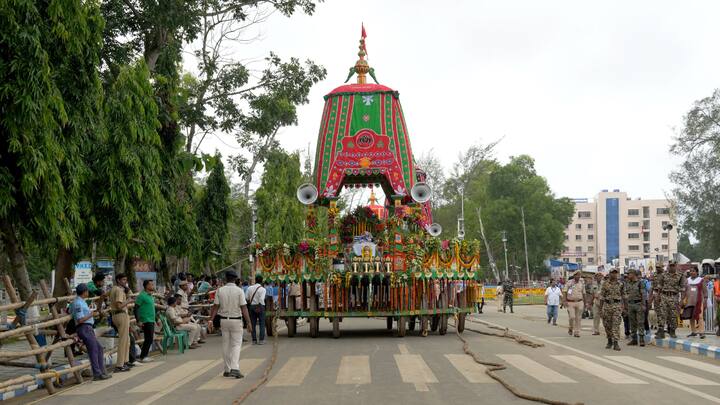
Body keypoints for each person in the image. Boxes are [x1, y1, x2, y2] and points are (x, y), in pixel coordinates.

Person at [209, 271, 252, 379]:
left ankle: (227, 369)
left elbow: (215, 306)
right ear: (235, 279)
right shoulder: (239, 291)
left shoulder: (220, 290)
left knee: (226, 344)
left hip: (223, 321)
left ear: (226, 278)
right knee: (236, 345)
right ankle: (235, 368)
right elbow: (244, 307)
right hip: (236, 321)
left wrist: (210, 320)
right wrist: (249, 322)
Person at [72, 284, 111, 381]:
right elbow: (80, 319)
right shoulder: (78, 303)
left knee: (99, 349)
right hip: (84, 327)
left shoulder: (81, 302)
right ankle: (97, 373)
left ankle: (102, 371)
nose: (88, 293)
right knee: (93, 350)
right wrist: (91, 314)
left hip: (88, 327)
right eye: (87, 291)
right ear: (84, 292)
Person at [109, 273, 133, 372]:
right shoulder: (118, 290)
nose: (125, 282)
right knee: (123, 340)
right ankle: (120, 365)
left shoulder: (114, 289)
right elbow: (119, 305)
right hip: (120, 314)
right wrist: (128, 301)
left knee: (126, 339)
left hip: (117, 315)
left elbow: (103, 295)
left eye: (125, 280)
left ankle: (125, 361)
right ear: (118, 280)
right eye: (123, 280)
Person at [657, 262, 686, 339]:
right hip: (664, 295)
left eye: (673, 266)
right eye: (670, 266)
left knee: (673, 315)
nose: (672, 267)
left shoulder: (681, 275)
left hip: (674, 296)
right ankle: (661, 331)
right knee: (662, 314)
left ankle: (672, 331)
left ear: (676, 266)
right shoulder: (663, 275)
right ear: (668, 266)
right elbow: (660, 286)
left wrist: (682, 300)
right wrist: (658, 296)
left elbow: (683, 289)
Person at [599, 268, 624, 351]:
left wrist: (625, 307)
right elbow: (602, 297)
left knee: (616, 324)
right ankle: (609, 340)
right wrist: (600, 309)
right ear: (609, 274)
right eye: (612, 273)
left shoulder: (621, 284)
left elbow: (624, 296)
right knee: (607, 325)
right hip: (607, 305)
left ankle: (616, 342)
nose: (614, 274)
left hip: (617, 306)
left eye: (615, 273)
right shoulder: (605, 284)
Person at [136, 280, 157, 362]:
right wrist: (138, 320)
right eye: (151, 284)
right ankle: (143, 356)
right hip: (145, 320)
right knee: (149, 338)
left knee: (149, 338)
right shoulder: (142, 295)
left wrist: (156, 319)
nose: (153, 286)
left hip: (151, 319)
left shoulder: (150, 296)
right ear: (146, 286)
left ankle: (144, 355)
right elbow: (136, 308)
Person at [625, 269, 647, 346]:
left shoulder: (640, 283)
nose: (628, 275)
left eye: (629, 274)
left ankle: (641, 339)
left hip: (638, 304)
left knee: (640, 322)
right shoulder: (627, 283)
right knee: (632, 322)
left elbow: (643, 294)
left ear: (633, 274)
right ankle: (634, 339)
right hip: (630, 305)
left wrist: (644, 305)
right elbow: (626, 294)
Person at [684, 267, 706, 339]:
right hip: (690, 301)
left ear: (697, 272)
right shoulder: (687, 280)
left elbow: (705, 291)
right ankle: (693, 332)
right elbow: (684, 291)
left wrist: (705, 300)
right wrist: (683, 300)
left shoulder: (701, 280)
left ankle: (701, 332)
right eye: (691, 271)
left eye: (693, 271)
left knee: (700, 317)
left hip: (699, 301)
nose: (692, 272)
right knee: (691, 317)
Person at [563, 271, 586, 337]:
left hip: (579, 302)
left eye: (579, 275)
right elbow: (564, 292)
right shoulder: (569, 283)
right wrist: (564, 301)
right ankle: (570, 327)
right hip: (570, 302)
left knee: (578, 318)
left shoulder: (581, 283)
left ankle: (577, 332)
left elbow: (584, 293)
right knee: (572, 317)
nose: (578, 277)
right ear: (574, 275)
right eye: (577, 275)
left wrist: (585, 302)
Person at [246, 275, 267, 345]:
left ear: (255, 280)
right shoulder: (263, 289)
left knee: (253, 323)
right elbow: (261, 299)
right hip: (260, 306)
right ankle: (261, 340)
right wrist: (259, 306)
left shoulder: (249, 288)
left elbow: (247, 298)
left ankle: (254, 340)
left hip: (252, 306)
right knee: (262, 323)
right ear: (262, 281)